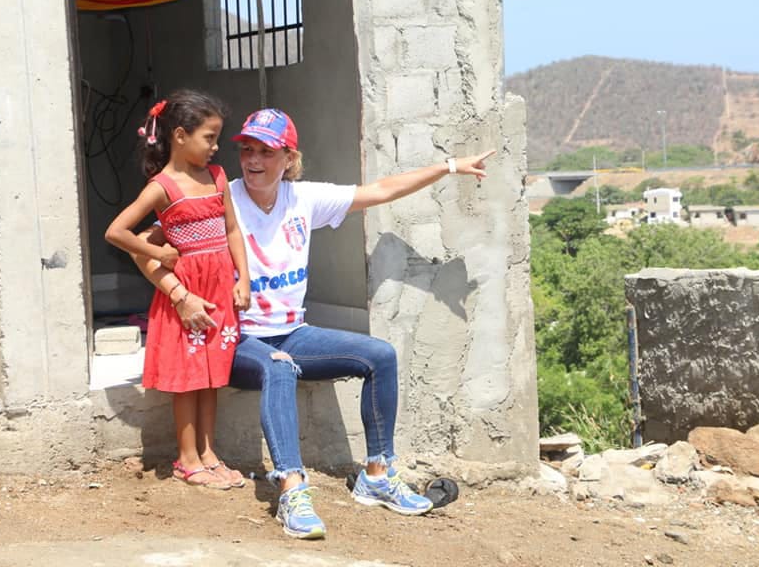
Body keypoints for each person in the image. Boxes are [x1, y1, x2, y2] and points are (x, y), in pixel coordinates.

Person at [136, 107, 494, 538]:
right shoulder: (218, 195)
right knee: (279, 364)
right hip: (236, 340)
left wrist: (449, 166)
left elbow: (378, 191)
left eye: (266, 152)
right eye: (247, 150)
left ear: (289, 159)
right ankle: (291, 489)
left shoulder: (304, 199)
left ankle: (377, 475)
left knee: (379, 355)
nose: (253, 160)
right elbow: (141, 246)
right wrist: (180, 295)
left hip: (293, 331)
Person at [106, 90, 251, 490]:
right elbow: (117, 232)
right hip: (188, 290)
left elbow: (232, 230)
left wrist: (245, 279)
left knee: (210, 375)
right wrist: (159, 252)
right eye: (210, 137)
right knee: (188, 377)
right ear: (181, 135)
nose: (215, 146)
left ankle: (209, 454)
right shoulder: (162, 186)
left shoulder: (218, 176)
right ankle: (188, 459)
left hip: (220, 289)